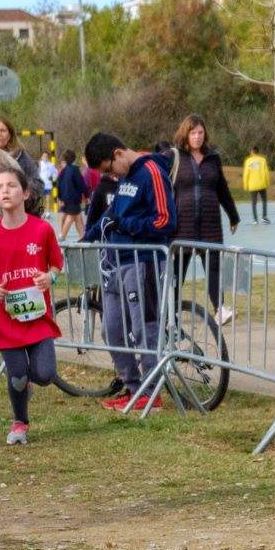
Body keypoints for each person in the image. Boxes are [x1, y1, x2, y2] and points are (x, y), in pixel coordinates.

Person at [81, 132, 175, 413]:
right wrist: (90, 235)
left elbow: (165, 221)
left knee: (143, 330)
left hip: (142, 262)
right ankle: (133, 388)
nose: (109, 175)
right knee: (111, 330)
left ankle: (151, 391)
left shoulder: (151, 171)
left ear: (119, 154)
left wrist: (126, 224)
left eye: (108, 169)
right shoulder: (123, 179)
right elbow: (112, 215)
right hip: (115, 265)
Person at [0, 166, 64, 445]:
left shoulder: (42, 229)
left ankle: (29, 384)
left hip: (37, 318)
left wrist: (50, 277)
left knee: (45, 375)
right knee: (18, 376)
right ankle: (20, 422)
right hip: (5, 319)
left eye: (11, 186)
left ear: (25, 192)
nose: (5, 191)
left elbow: (57, 264)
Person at [168, 116, 239, 322]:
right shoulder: (174, 157)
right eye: (193, 133)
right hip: (183, 225)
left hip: (210, 225)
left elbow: (222, 189)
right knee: (177, 271)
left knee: (214, 267)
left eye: (200, 133)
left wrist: (233, 215)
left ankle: (219, 309)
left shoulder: (213, 158)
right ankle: (170, 310)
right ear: (185, 134)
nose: (197, 137)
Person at [53, 149, 88, 239]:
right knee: (71, 216)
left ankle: (82, 237)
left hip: (65, 197)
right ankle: (62, 236)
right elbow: (81, 183)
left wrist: (60, 198)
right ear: (74, 158)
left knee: (78, 217)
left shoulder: (63, 170)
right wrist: (86, 194)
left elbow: (58, 184)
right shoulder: (75, 169)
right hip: (73, 198)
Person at [241, 146, 271, 224]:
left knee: (253, 202)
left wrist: (245, 185)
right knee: (264, 200)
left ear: (252, 152)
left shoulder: (248, 161)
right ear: (258, 151)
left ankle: (255, 220)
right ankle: (264, 217)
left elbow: (246, 174)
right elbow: (266, 173)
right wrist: (267, 183)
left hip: (252, 185)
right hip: (262, 184)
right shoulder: (263, 160)